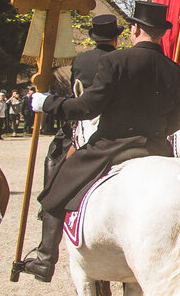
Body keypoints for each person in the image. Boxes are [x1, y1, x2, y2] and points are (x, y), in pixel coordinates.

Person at [19, 0, 180, 282]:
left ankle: (45, 259)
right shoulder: (179, 73)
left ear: (135, 29)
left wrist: (48, 103)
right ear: (161, 33)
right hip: (157, 149)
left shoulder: (114, 61)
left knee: (56, 190)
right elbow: (176, 123)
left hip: (111, 146)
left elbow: (87, 107)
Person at [45, 14, 123, 183]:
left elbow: (74, 88)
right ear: (115, 39)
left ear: (94, 38)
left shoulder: (80, 59)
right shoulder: (123, 58)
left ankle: (52, 191)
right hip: (116, 117)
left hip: (85, 113)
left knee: (55, 153)